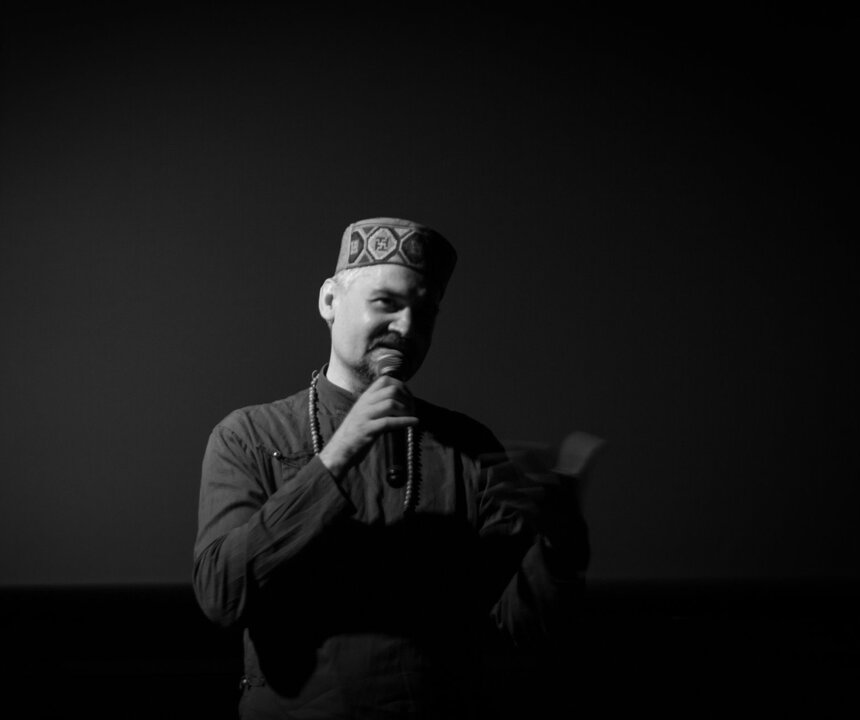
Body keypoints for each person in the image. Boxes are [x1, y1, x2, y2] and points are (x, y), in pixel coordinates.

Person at [193, 217, 603, 719]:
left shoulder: (467, 446)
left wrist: (560, 546)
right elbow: (221, 595)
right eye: (386, 302)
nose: (407, 328)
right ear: (329, 301)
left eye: (424, 313)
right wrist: (337, 455)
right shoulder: (250, 436)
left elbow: (516, 631)